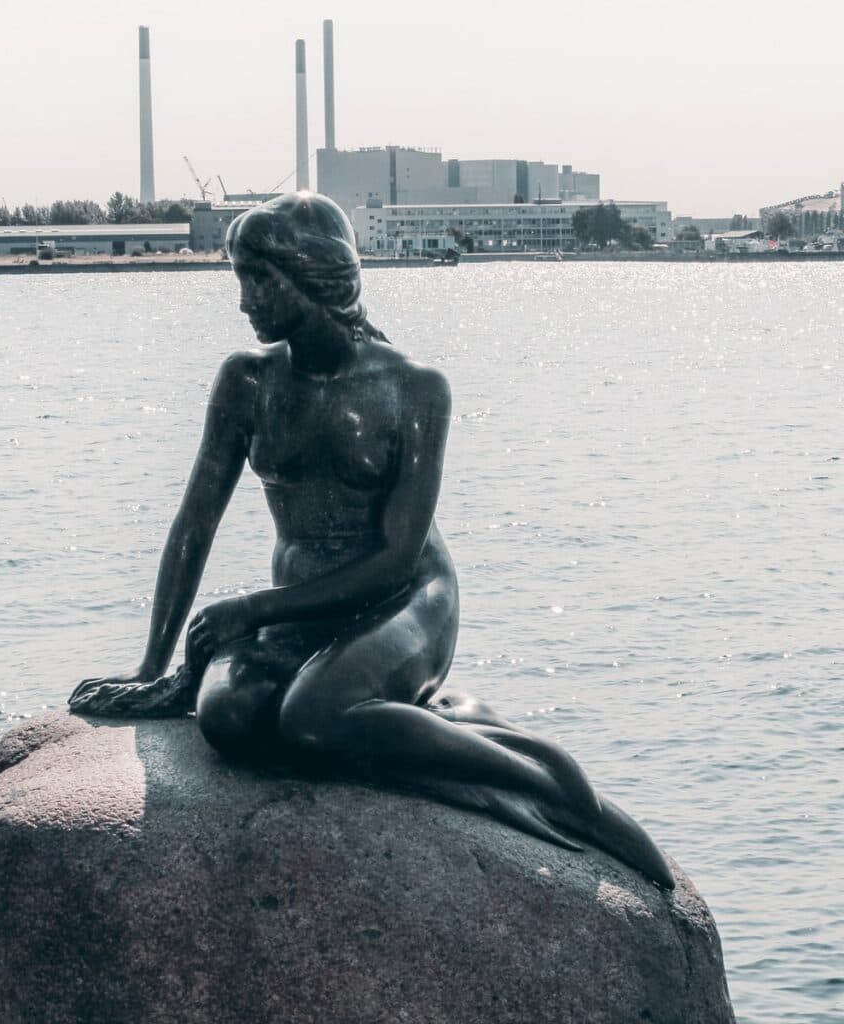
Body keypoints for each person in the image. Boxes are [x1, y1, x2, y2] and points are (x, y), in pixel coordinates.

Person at [69, 192, 674, 890]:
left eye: (260, 278)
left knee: (312, 718)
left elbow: (395, 560)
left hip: (405, 598)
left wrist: (253, 609)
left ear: (316, 275)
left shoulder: (413, 388)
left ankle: (548, 779)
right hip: (304, 608)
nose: (244, 301)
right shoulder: (247, 381)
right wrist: (153, 666)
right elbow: (193, 524)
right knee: (228, 718)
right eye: (241, 277)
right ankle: (424, 720)